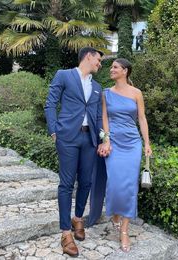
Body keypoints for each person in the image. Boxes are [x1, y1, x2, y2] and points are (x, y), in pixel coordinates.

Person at [44, 47, 110, 257]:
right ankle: (65, 233)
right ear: (88, 57)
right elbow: (50, 103)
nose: (100, 64)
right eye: (98, 60)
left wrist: (102, 139)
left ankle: (78, 218)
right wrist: (54, 131)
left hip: (89, 139)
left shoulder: (98, 87)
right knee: (66, 183)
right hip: (68, 137)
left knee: (87, 182)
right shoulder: (64, 75)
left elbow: (99, 117)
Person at [97, 58, 152, 252]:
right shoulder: (106, 93)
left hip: (132, 143)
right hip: (114, 143)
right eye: (111, 67)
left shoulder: (137, 93)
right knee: (114, 183)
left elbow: (142, 118)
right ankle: (114, 214)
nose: (111, 69)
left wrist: (147, 143)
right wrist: (107, 140)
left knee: (129, 185)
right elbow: (104, 118)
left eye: (115, 67)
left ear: (125, 71)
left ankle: (124, 231)